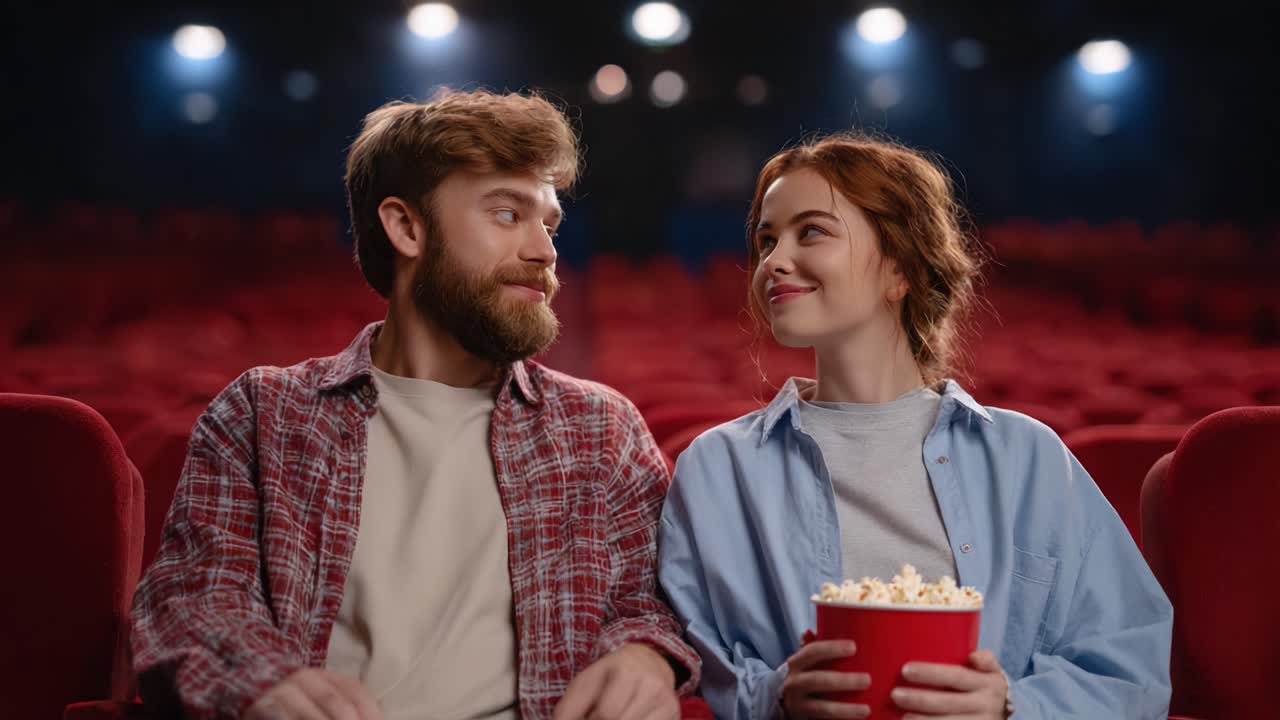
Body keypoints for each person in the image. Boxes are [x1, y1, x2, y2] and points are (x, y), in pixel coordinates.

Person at [130, 89, 699, 720]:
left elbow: (645, 605)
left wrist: (645, 655)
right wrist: (260, 683)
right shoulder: (266, 413)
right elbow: (191, 597)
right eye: (508, 215)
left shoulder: (601, 428)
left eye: (549, 223)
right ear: (406, 227)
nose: (544, 251)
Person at [657, 133, 1172, 719]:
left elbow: (1131, 666)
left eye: (812, 231)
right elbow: (682, 663)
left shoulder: (1030, 456)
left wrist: (1011, 705)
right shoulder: (717, 467)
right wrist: (773, 698)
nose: (773, 261)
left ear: (900, 267)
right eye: (767, 239)